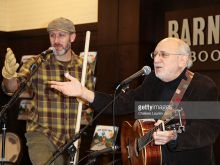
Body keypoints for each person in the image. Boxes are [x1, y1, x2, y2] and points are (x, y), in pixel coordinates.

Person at [48, 37, 220, 165]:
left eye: (164, 55)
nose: (156, 59)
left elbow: (208, 130)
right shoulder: (153, 81)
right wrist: (83, 93)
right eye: (155, 54)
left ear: (183, 59)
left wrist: (174, 137)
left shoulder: (202, 86)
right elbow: (124, 102)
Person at [1, 17, 94, 165]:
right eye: (52, 35)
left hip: (71, 138)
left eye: (61, 35)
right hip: (41, 134)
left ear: (73, 37)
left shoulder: (83, 67)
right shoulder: (38, 62)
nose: (56, 40)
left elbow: (89, 101)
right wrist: (9, 76)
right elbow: (12, 88)